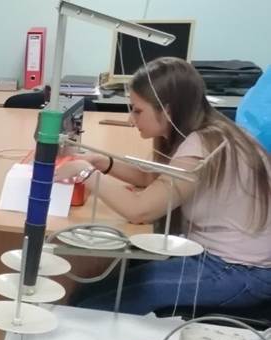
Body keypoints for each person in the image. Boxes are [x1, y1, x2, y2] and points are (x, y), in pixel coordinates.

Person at [57, 57, 271, 315]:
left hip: (239, 270)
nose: (131, 119)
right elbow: (154, 180)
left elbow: (141, 210)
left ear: (167, 111)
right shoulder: (211, 129)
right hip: (228, 262)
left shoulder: (202, 146)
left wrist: (85, 172)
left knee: (90, 307)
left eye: (137, 111)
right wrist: (104, 163)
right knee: (84, 295)